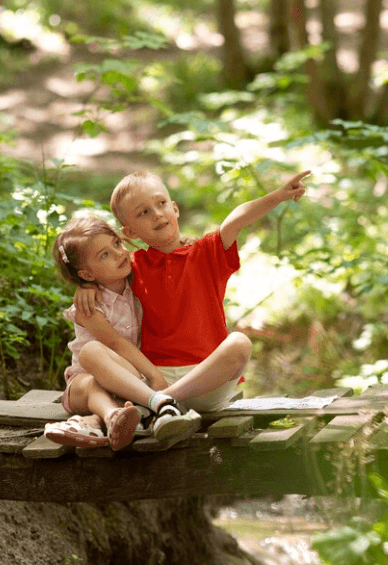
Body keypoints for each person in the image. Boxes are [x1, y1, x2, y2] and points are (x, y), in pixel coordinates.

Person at [74, 168, 310, 433]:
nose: (157, 214)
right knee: (91, 351)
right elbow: (101, 270)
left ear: (174, 208)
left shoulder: (207, 252)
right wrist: (86, 286)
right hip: (154, 378)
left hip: (206, 381)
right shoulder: (134, 265)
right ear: (129, 232)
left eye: (161, 203)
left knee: (240, 343)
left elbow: (235, 220)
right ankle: (159, 405)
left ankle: (157, 405)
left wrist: (277, 196)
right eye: (144, 212)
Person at [43, 215, 201, 451]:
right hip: (85, 383)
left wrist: (182, 244)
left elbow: (166, 261)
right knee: (91, 354)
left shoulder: (138, 278)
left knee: (114, 389)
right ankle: (128, 411)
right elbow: (115, 343)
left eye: (117, 244)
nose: (119, 254)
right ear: (87, 274)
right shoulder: (89, 307)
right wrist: (154, 374)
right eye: (104, 255)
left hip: (129, 378)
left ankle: (100, 421)